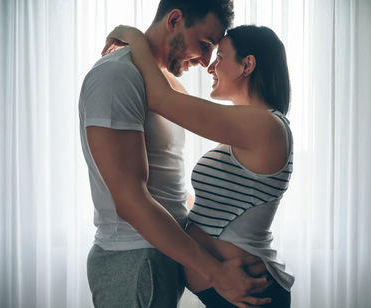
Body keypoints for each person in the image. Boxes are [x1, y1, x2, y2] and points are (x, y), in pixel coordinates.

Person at [78, 1, 273, 307]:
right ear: (175, 20)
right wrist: (215, 271)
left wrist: (132, 35)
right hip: (135, 259)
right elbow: (130, 200)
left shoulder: (165, 86)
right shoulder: (118, 76)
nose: (207, 61)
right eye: (205, 44)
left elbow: (170, 185)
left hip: (161, 257)